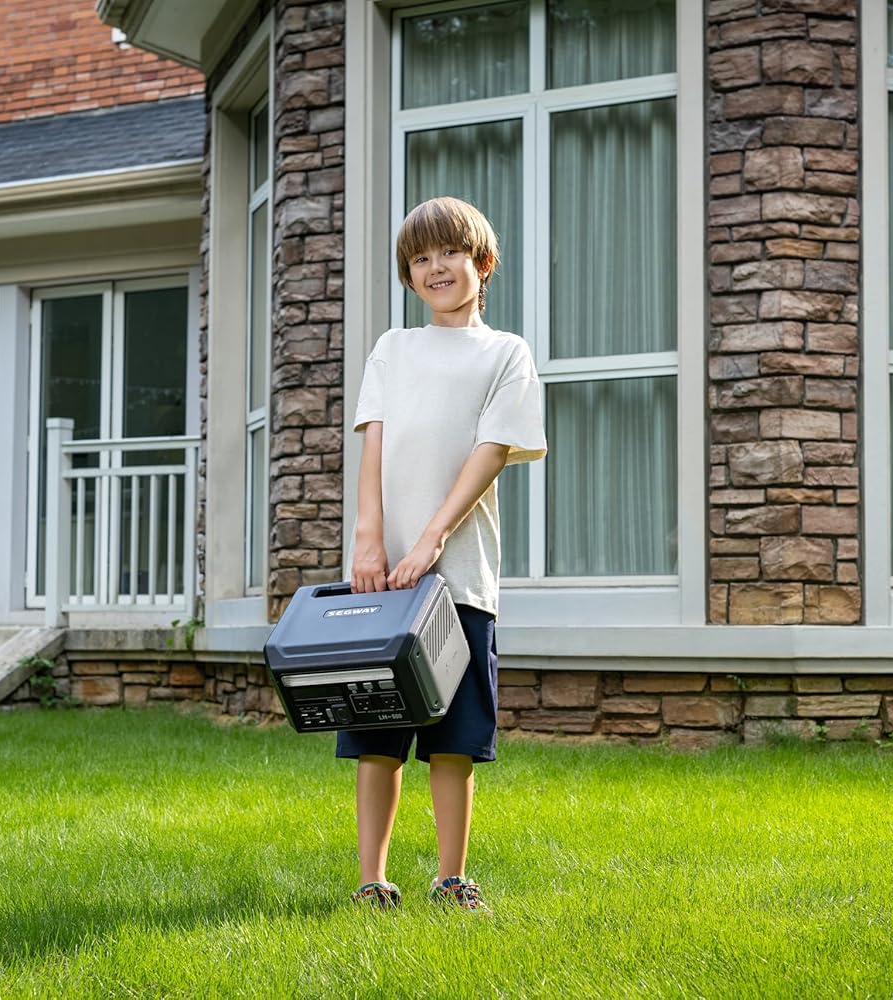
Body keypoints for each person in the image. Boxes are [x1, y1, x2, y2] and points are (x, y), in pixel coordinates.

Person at [340, 196, 546, 913]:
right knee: (378, 737)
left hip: (461, 578)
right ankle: (372, 881)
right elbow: (374, 441)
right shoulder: (393, 349)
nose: (436, 268)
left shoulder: (506, 352)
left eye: (450, 253)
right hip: (383, 579)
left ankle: (451, 878)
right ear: (408, 274)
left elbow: (489, 452)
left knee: (454, 740)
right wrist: (369, 537)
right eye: (420, 259)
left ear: (481, 262)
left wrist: (432, 538)